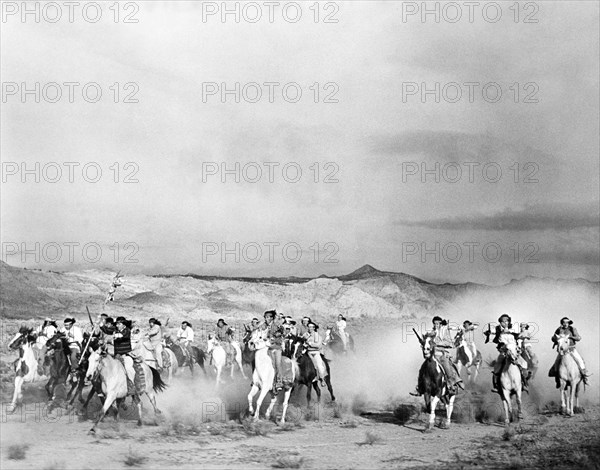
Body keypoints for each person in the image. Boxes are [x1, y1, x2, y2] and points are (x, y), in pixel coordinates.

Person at [410, 316, 464, 396]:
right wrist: (423, 342)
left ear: (441, 324)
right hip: (432, 354)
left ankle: (451, 384)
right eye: (435, 324)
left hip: (441, 353)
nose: (436, 325)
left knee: (447, 366)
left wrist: (437, 344)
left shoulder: (445, 332)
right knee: (422, 369)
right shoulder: (430, 333)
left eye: (438, 324)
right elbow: (426, 342)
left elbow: (449, 343)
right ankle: (419, 387)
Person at [485, 314, 530, 393]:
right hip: (504, 351)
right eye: (503, 321)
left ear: (509, 322)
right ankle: (496, 386)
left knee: (524, 363)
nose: (505, 323)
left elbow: (518, 333)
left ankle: (524, 383)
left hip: (514, 350)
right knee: (497, 365)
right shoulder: (497, 329)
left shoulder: (513, 328)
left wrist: (510, 331)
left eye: (506, 321)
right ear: (500, 322)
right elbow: (491, 331)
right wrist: (488, 333)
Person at [549, 317, 589, 386]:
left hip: (571, 349)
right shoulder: (559, 329)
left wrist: (571, 337)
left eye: (567, 322)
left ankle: (584, 376)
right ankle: (558, 379)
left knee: (580, 361)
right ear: (562, 323)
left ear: (569, 323)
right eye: (564, 322)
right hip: (562, 350)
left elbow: (578, 338)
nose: (565, 324)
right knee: (556, 363)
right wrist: (556, 338)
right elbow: (553, 338)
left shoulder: (572, 329)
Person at [261, 310, 284, 391]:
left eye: (268, 317)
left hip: (276, 348)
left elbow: (280, 337)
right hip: (267, 349)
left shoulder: (277, 325)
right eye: (265, 317)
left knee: (277, 364)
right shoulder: (263, 326)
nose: (266, 319)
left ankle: (279, 382)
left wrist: (273, 339)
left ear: (272, 318)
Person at [303, 322, 327, 387]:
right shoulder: (305, 334)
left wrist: (310, 344)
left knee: (319, 365)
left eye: (311, 327)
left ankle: (322, 378)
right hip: (307, 352)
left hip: (315, 352)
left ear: (314, 328)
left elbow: (318, 346)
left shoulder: (317, 336)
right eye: (309, 327)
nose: (310, 328)